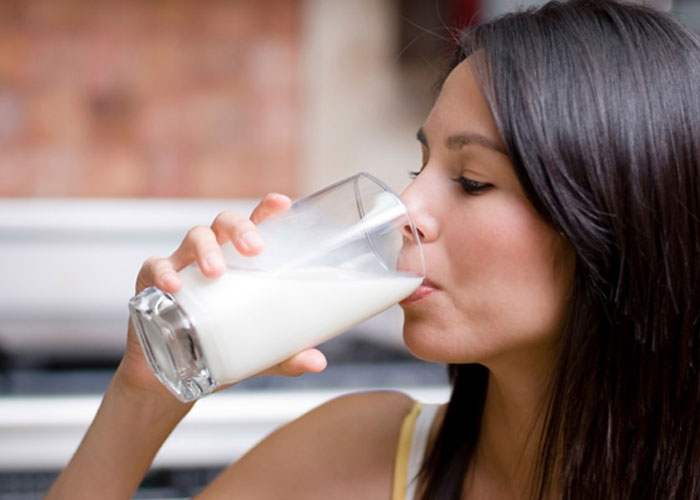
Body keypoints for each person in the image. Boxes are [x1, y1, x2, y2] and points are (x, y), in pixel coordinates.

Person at [46, 0, 700, 498]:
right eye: (421, 167)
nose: (407, 211)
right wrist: (146, 394)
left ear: (619, 224)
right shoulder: (357, 455)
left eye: (472, 182)